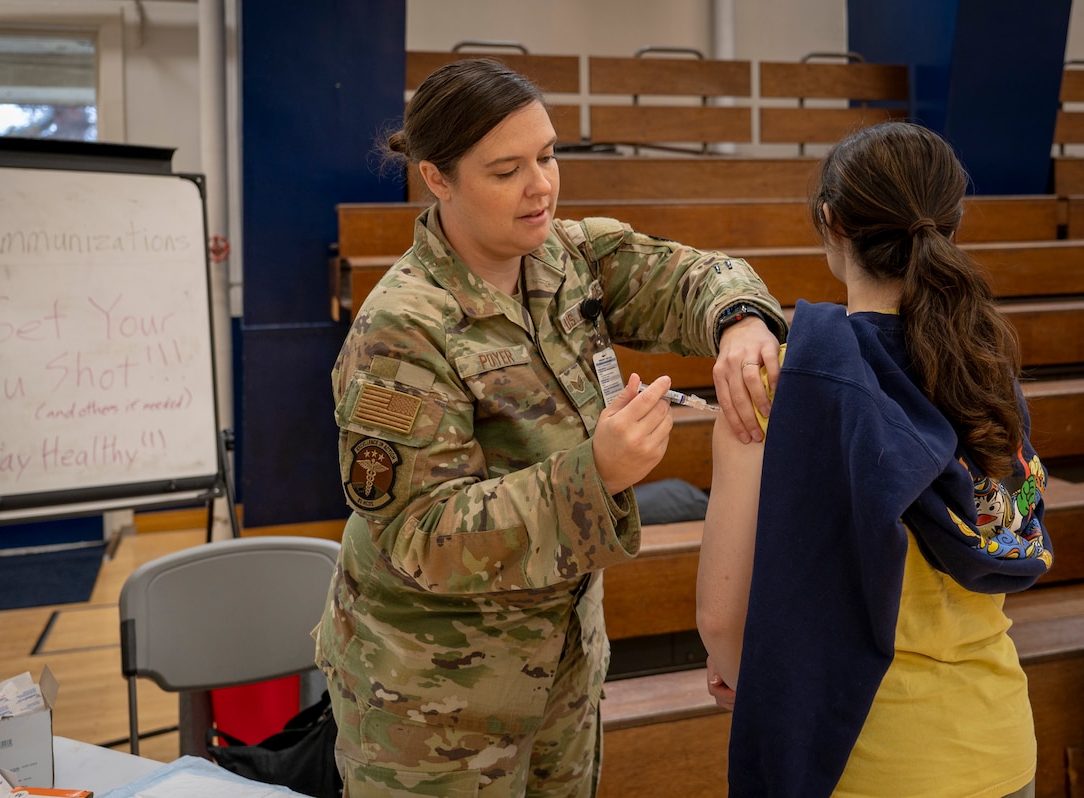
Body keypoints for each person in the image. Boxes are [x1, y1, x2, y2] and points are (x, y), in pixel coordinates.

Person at [313, 57, 787, 797]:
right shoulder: (401, 332)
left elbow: (686, 276)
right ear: (438, 178)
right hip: (433, 706)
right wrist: (593, 475)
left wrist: (742, 323)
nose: (542, 185)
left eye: (549, 154)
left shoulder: (568, 257)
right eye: (506, 170)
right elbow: (418, 535)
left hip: (559, 668)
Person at [695, 121, 1054, 798]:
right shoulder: (987, 376)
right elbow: (1014, 522)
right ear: (953, 224)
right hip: (999, 743)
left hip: (863, 759)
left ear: (831, 221)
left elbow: (721, 617)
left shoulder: (772, 384)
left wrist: (739, 669)